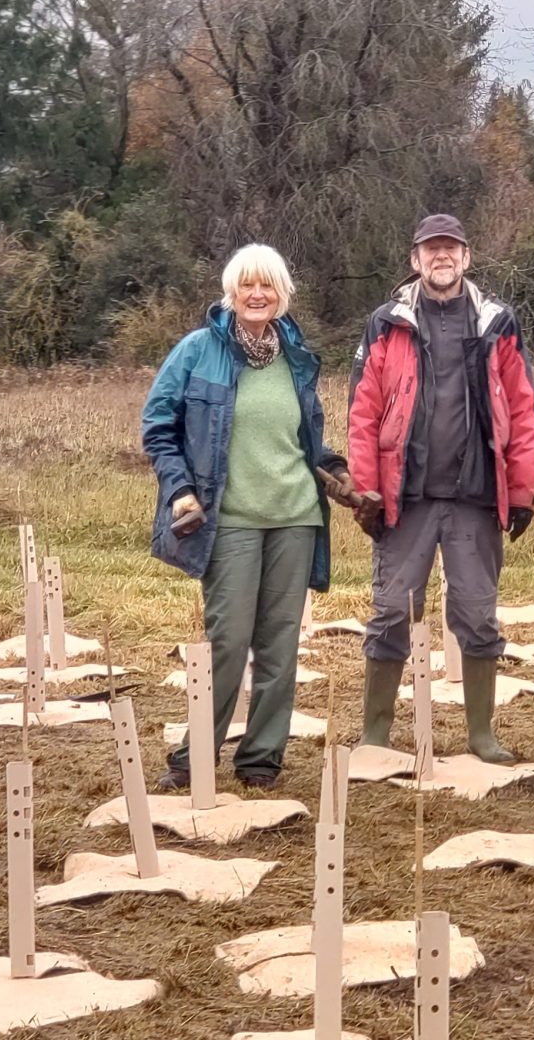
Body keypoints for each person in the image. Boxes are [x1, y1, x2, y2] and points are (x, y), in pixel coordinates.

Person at [141, 245, 355, 790]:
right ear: (230, 292)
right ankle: (194, 758)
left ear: (283, 294)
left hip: (295, 516)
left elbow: (303, 438)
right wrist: (180, 489)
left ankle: (262, 759)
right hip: (229, 518)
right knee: (228, 642)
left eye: (268, 286)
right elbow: (158, 427)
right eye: (247, 285)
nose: (258, 295)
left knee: (280, 645)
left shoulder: (297, 356)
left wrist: (334, 470)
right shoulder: (197, 351)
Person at [347, 214, 534, 764]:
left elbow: (522, 409)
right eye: (431, 250)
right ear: (415, 260)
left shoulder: (497, 321)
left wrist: (522, 490)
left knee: (478, 616)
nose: (441, 258)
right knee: (389, 612)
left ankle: (482, 735)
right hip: (405, 498)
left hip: (476, 497)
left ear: (466, 257)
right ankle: (376, 736)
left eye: (451, 249)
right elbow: (362, 411)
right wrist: (366, 490)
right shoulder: (387, 323)